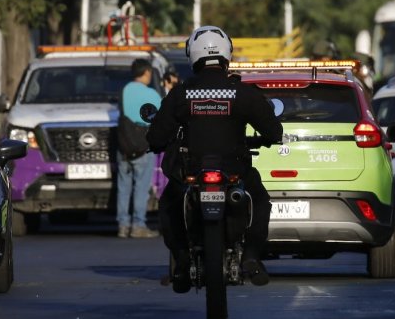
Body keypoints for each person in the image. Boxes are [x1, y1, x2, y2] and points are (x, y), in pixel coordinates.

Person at [146, 25, 283, 293]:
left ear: (192, 54)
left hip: (190, 173)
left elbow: (156, 137)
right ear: (226, 54)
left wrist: (159, 142)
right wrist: (264, 138)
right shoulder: (242, 93)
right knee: (261, 201)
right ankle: (252, 257)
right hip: (236, 171)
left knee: (169, 205)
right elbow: (274, 131)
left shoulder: (182, 93)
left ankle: (183, 262)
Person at [116, 58, 162, 238]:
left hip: (124, 144)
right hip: (143, 145)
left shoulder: (124, 90)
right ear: (147, 73)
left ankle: (122, 225)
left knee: (123, 186)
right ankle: (138, 225)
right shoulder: (151, 95)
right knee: (141, 187)